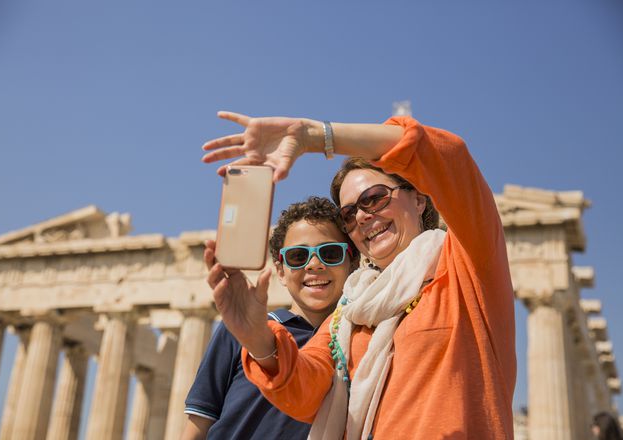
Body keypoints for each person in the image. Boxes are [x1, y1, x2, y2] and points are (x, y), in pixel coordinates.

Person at [202, 112, 516, 439]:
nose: (363, 217)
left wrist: (314, 136)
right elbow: (303, 391)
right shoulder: (350, 312)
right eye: (349, 214)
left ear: (419, 197)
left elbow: (448, 157)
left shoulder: (467, 264)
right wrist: (256, 338)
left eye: (374, 198)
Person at [180, 196, 359, 440]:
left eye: (330, 253)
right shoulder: (238, 331)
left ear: (353, 263)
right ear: (280, 271)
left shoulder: (359, 342)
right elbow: (198, 425)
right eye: (298, 256)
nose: (314, 264)